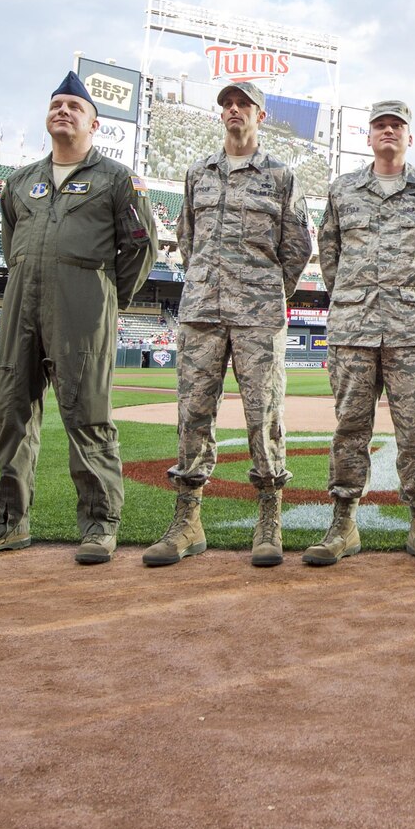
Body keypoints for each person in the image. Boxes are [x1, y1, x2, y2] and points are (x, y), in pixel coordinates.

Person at [0, 73, 156, 566]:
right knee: (10, 412)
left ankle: (99, 524)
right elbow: (10, 243)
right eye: (56, 104)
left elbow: (141, 244)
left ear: (94, 122)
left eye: (73, 106)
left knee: (87, 416)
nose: (62, 111)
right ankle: (7, 523)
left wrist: (108, 294)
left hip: (83, 307)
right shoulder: (22, 181)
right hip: (22, 302)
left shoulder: (116, 178)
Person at [144, 80, 311, 568]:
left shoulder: (281, 175)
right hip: (201, 312)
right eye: (227, 105)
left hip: (258, 315)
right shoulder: (199, 172)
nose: (234, 110)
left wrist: (266, 291)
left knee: (264, 416)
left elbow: (297, 247)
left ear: (259, 114)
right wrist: (207, 284)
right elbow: (187, 236)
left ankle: (269, 517)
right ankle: (187, 520)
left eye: (243, 104)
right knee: (193, 414)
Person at [306, 100, 415, 568]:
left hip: (413, 327)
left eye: (397, 126)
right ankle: (343, 523)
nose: (388, 132)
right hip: (354, 328)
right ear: (368, 137)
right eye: (380, 126)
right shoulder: (343, 189)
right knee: (350, 427)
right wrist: (354, 297)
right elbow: (328, 253)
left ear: (410, 137)